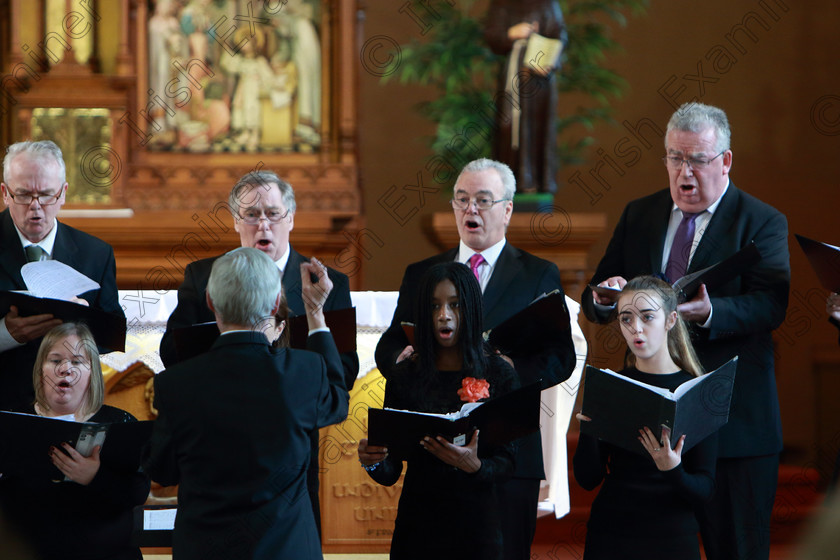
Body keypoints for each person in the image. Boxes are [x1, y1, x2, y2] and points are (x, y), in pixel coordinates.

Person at [581, 103, 790, 560]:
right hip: (646, 429)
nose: (684, 172)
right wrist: (604, 295)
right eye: (675, 158)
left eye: (697, 159)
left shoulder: (762, 221)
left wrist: (711, 314)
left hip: (732, 424)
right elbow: (597, 295)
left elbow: (771, 304)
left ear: (725, 161)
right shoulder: (641, 214)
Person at [375, 158, 576, 559]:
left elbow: (560, 357)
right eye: (462, 199)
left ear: (507, 209)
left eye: (483, 200)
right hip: (432, 458)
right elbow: (389, 345)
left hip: (507, 452)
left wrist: (508, 372)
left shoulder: (537, 273)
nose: (471, 210)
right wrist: (407, 359)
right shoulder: (424, 274)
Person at [158, 169, 358, 533]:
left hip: (289, 460)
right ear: (236, 221)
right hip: (216, 446)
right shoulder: (205, 276)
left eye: (272, 213)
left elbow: (341, 374)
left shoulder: (324, 284)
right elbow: (173, 354)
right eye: (251, 214)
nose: (262, 223)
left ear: (291, 218)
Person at [145, 247, 348, 560]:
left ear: (211, 302)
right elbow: (338, 401)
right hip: (286, 549)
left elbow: (164, 469)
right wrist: (316, 316)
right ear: (276, 304)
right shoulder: (304, 372)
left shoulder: (175, 383)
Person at [360, 261, 519, 559]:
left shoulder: (499, 374)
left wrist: (475, 466)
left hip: (477, 528)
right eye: (434, 307)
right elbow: (390, 470)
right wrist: (373, 461)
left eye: (454, 305)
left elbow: (509, 463)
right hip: (418, 526)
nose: (443, 315)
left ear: (470, 309)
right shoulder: (406, 375)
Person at [574, 276, 716, 559]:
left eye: (647, 317)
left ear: (671, 320)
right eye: (626, 318)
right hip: (612, 533)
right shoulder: (610, 385)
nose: (636, 328)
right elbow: (587, 478)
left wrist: (672, 469)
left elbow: (705, 490)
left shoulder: (699, 392)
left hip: (672, 535)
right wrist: (590, 430)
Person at [0, 322, 150, 560]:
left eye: (77, 362)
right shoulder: (12, 421)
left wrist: (95, 476)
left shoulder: (120, 422)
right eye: (55, 360)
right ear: (41, 370)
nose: (65, 369)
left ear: (92, 373)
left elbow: (137, 494)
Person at [0, 140, 124, 412]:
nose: (35, 207)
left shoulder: (96, 254)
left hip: (68, 411)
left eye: (46, 195)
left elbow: (113, 335)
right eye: (23, 195)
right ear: (5, 193)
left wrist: (84, 324)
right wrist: (6, 334)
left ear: (63, 193)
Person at [484, 0, 567, 194]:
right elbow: (491, 34)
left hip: (540, 77)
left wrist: (550, 60)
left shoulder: (548, 3)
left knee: (540, 126)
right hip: (515, 72)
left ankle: (539, 181)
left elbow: (560, 35)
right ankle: (511, 183)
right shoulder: (502, 3)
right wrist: (512, 33)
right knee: (509, 126)